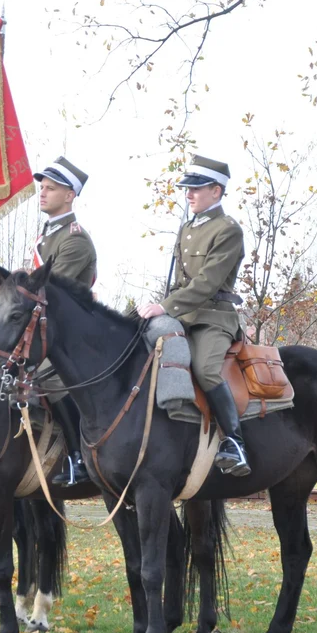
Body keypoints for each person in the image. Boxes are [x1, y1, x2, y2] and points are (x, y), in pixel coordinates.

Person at [137, 154, 250, 476]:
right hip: (182, 316)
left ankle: (235, 443)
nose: (189, 194)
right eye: (187, 188)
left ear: (216, 191)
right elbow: (178, 280)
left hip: (213, 317)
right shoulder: (187, 228)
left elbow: (207, 283)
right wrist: (158, 308)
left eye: (196, 189)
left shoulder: (228, 230)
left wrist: (166, 306)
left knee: (204, 369)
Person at [31, 156, 97, 486]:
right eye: (41, 187)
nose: (42, 193)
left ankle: (77, 457)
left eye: (50, 188)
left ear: (70, 195)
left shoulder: (75, 240)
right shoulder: (46, 237)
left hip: (71, 336)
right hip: (44, 331)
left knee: (48, 379)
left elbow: (50, 293)